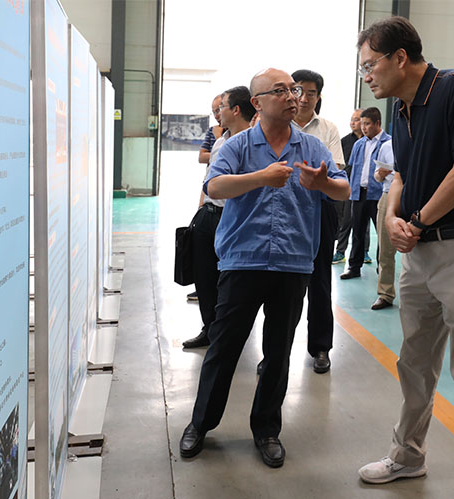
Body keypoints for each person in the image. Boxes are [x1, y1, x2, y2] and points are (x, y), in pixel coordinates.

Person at [354, 17, 454, 499]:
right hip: (418, 252)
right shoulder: (399, 111)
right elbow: (400, 174)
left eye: (370, 65)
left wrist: (415, 223)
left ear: (400, 57)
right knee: (415, 363)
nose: (366, 76)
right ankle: (407, 455)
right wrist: (394, 216)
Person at [179, 68, 349, 469]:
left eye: (294, 90)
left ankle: (267, 430)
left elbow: (342, 189)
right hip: (243, 260)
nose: (292, 97)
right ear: (257, 102)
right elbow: (214, 187)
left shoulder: (312, 147)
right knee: (223, 348)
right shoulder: (237, 146)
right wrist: (260, 178)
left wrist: (322, 184)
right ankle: (200, 424)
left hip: (292, 263)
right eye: (280, 91)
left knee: (277, 353)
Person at [182, 86, 255, 349]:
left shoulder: (255, 144)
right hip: (209, 215)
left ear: (236, 110)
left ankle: (229, 334)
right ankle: (209, 329)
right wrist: (201, 209)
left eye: (221, 108)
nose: (217, 114)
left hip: (235, 219)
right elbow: (209, 180)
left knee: (233, 281)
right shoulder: (220, 141)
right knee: (205, 278)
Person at [290, 68, 346, 373]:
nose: (304, 98)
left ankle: (321, 347)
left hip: (320, 210)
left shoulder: (327, 129)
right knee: (282, 282)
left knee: (320, 280)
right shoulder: (278, 125)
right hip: (286, 210)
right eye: (298, 91)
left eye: (311, 93)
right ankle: (276, 349)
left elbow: (335, 170)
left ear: (318, 97)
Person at [340, 107, 391, 280]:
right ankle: (354, 267)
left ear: (377, 123)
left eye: (367, 124)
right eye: (362, 123)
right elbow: (353, 168)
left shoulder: (388, 143)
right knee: (357, 232)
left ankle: (382, 270)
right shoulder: (359, 144)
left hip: (379, 195)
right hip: (359, 194)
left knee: (382, 235)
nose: (363, 127)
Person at [188, 94, 226, 303]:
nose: (217, 114)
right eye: (214, 111)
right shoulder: (214, 133)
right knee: (205, 260)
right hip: (210, 202)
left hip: (228, 210)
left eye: (220, 109)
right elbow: (202, 157)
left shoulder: (241, 138)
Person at [333, 109, 366, 263]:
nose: (353, 122)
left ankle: (364, 252)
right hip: (347, 186)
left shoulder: (371, 141)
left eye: (356, 119)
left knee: (363, 222)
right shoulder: (345, 141)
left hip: (365, 188)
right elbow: (339, 163)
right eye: (352, 119)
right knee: (345, 220)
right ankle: (340, 251)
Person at [372, 137, 396, 310]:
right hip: (388, 195)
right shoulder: (387, 146)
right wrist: (380, 175)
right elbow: (376, 176)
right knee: (385, 249)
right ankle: (385, 293)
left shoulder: (422, 141)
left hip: (414, 195)